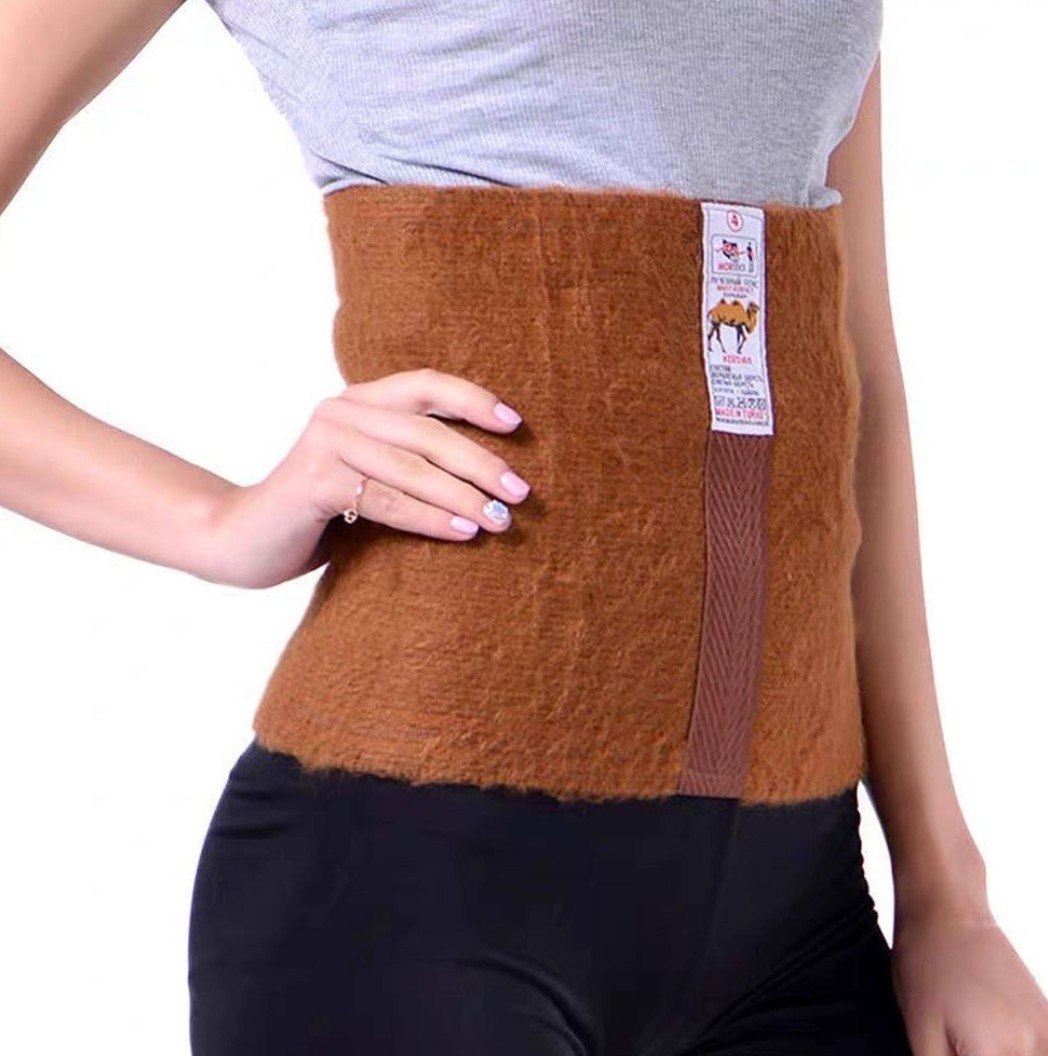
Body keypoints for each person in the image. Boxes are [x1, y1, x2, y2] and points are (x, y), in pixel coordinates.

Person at [2, 1, 1047, 1054]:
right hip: (414, 895)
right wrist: (218, 523)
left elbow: (852, 372)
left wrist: (947, 892)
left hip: (799, 914)